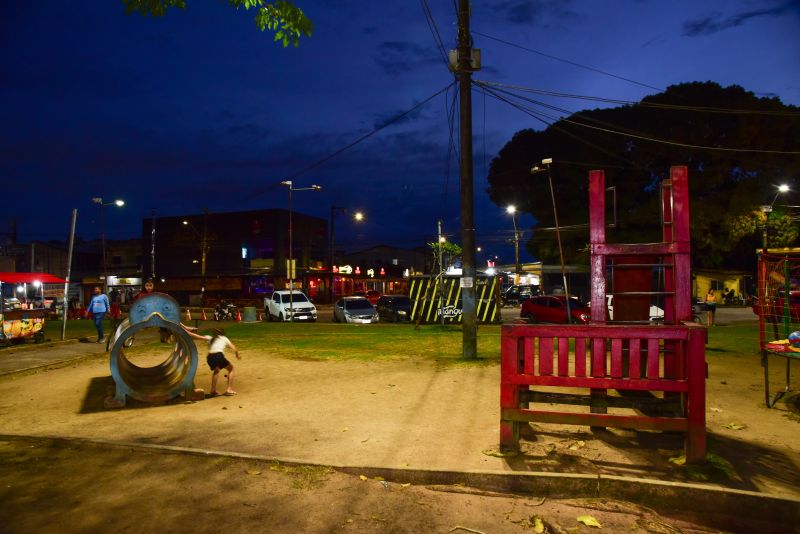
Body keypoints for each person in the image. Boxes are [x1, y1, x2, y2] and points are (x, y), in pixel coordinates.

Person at [185, 327, 241, 396]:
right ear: (222, 333)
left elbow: (197, 336)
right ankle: (229, 389)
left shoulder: (210, 338)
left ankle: (213, 390)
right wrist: (237, 354)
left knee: (216, 370)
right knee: (231, 369)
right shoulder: (224, 338)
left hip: (210, 357)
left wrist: (185, 331)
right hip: (218, 355)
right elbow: (233, 347)